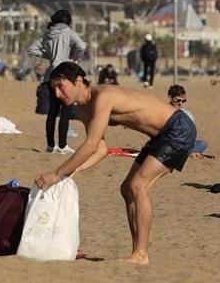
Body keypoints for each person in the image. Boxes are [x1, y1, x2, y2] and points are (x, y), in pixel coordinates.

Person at [35, 61, 196, 265]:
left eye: (61, 86)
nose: (57, 94)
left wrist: (57, 173)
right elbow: (101, 149)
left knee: (138, 185)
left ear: (77, 81)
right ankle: (137, 252)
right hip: (161, 136)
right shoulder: (84, 109)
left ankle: (141, 254)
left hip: (178, 129)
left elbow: (91, 144)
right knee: (127, 188)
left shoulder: (103, 97)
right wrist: (71, 172)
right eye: (54, 89)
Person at [27, 9, 87, 154]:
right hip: (66, 74)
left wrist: (48, 55)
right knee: (65, 112)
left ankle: (50, 145)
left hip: (51, 75)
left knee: (52, 112)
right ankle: (62, 145)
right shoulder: (68, 32)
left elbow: (32, 49)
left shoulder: (48, 34)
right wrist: (73, 58)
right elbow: (82, 46)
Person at [167, 85, 209, 156]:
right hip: (168, 144)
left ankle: (187, 153)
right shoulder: (163, 111)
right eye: (178, 100)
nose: (180, 103)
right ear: (170, 97)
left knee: (202, 143)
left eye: (183, 101)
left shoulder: (187, 113)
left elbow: (191, 134)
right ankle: (188, 153)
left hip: (185, 144)